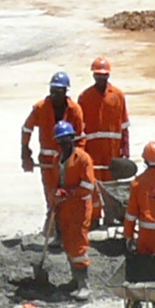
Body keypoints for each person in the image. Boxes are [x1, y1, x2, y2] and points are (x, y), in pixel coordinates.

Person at [20, 71, 85, 231]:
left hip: (67, 162)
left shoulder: (74, 110)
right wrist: (25, 149)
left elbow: (81, 137)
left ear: (65, 91)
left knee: (67, 196)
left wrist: (77, 159)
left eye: (58, 91)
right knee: (51, 195)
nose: (54, 94)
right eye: (53, 90)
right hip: (48, 163)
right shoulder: (40, 108)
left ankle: (65, 229)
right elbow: (26, 128)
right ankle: (54, 228)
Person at [73, 58, 133, 203]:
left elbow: (124, 126)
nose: (101, 78)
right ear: (93, 75)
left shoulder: (118, 96)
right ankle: (94, 216)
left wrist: (125, 150)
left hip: (113, 151)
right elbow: (79, 128)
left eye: (104, 75)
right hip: (92, 151)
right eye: (98, 75)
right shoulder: (85, 97)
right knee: (92, 183)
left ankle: (111, 214)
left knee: (112, 185)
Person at [46, 122, 97, 287]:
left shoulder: (82, 159)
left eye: (67, 139)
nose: (64, 144)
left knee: (78, 247)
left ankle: (84, 284)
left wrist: (69, 193)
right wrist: (54, 200)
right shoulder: (57, 160)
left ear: (72, 139)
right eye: (60, 140)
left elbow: (88, 186)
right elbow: (54, 183)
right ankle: (75, 280)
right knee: (68, 245)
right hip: (64, 210)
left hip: (79, 209)